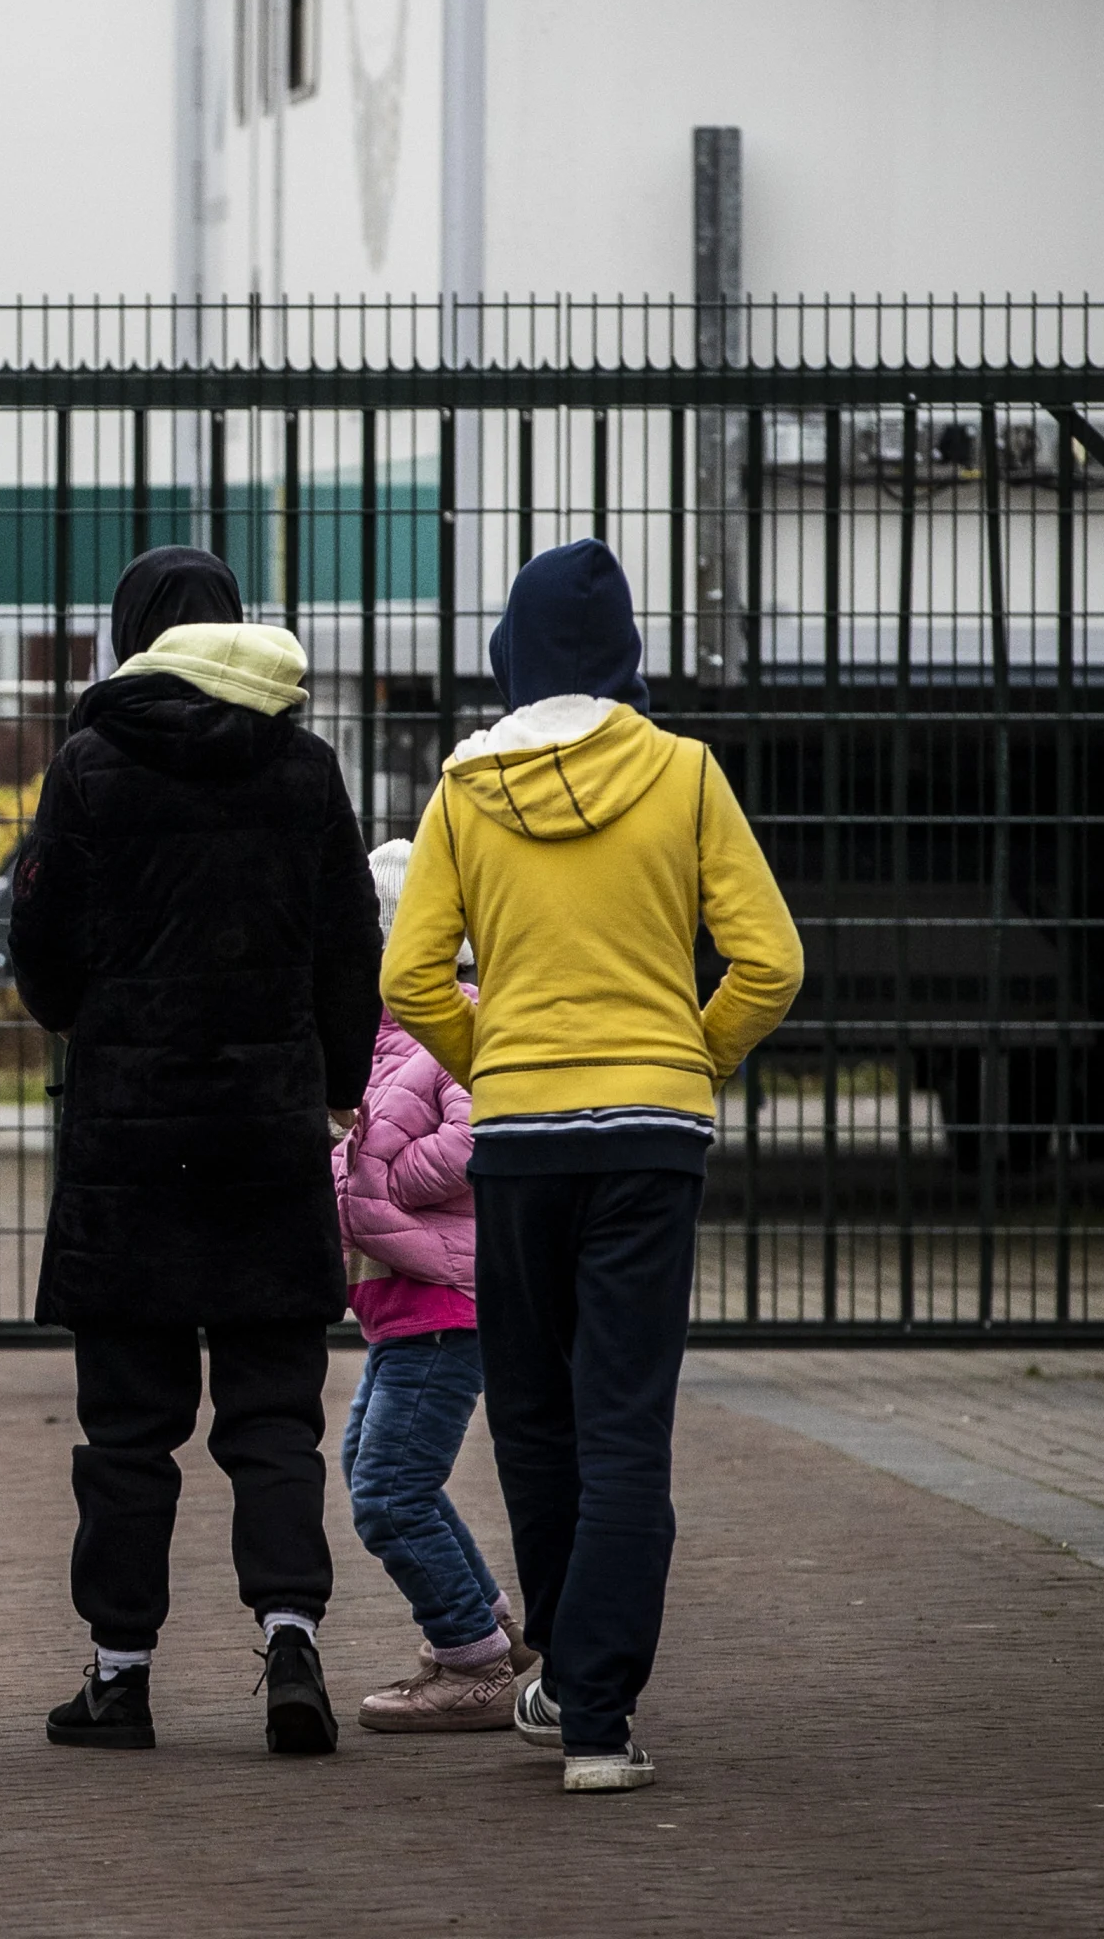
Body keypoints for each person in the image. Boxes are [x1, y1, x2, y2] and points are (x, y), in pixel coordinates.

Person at [379, 538, 801, 1793]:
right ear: (623, 655)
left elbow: (408, 977)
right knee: (627, 1423)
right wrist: (690, 1055)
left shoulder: (461, 790)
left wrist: (497, 1053)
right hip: (651, 1142)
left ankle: (560, 1662)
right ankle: (599, 1719)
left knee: (534, 1417)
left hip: (517, 1142)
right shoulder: (683, 773)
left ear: (512, 653)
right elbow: (769, 961)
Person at [6, 545, 376, 1759]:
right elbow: (348, 958)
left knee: (127, 1428)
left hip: (132, 1139)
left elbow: (43, 960)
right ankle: (291, 1644)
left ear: (134, 636)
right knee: (276, 1415)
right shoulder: (308, 768)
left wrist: (104, 1016)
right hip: (267, 1130)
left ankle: (121, 1675)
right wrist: (327, 1087)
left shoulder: (91, 766)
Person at [333, 834, 532, 1732]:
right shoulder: (376, 1033)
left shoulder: (456, 1017)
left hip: (444, 1306)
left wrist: (390, 1175)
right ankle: (488, 1625)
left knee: (388, 1492)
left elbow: (482, 1136)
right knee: (372, 1469)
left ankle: (474, 1662)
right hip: (400, 1304)